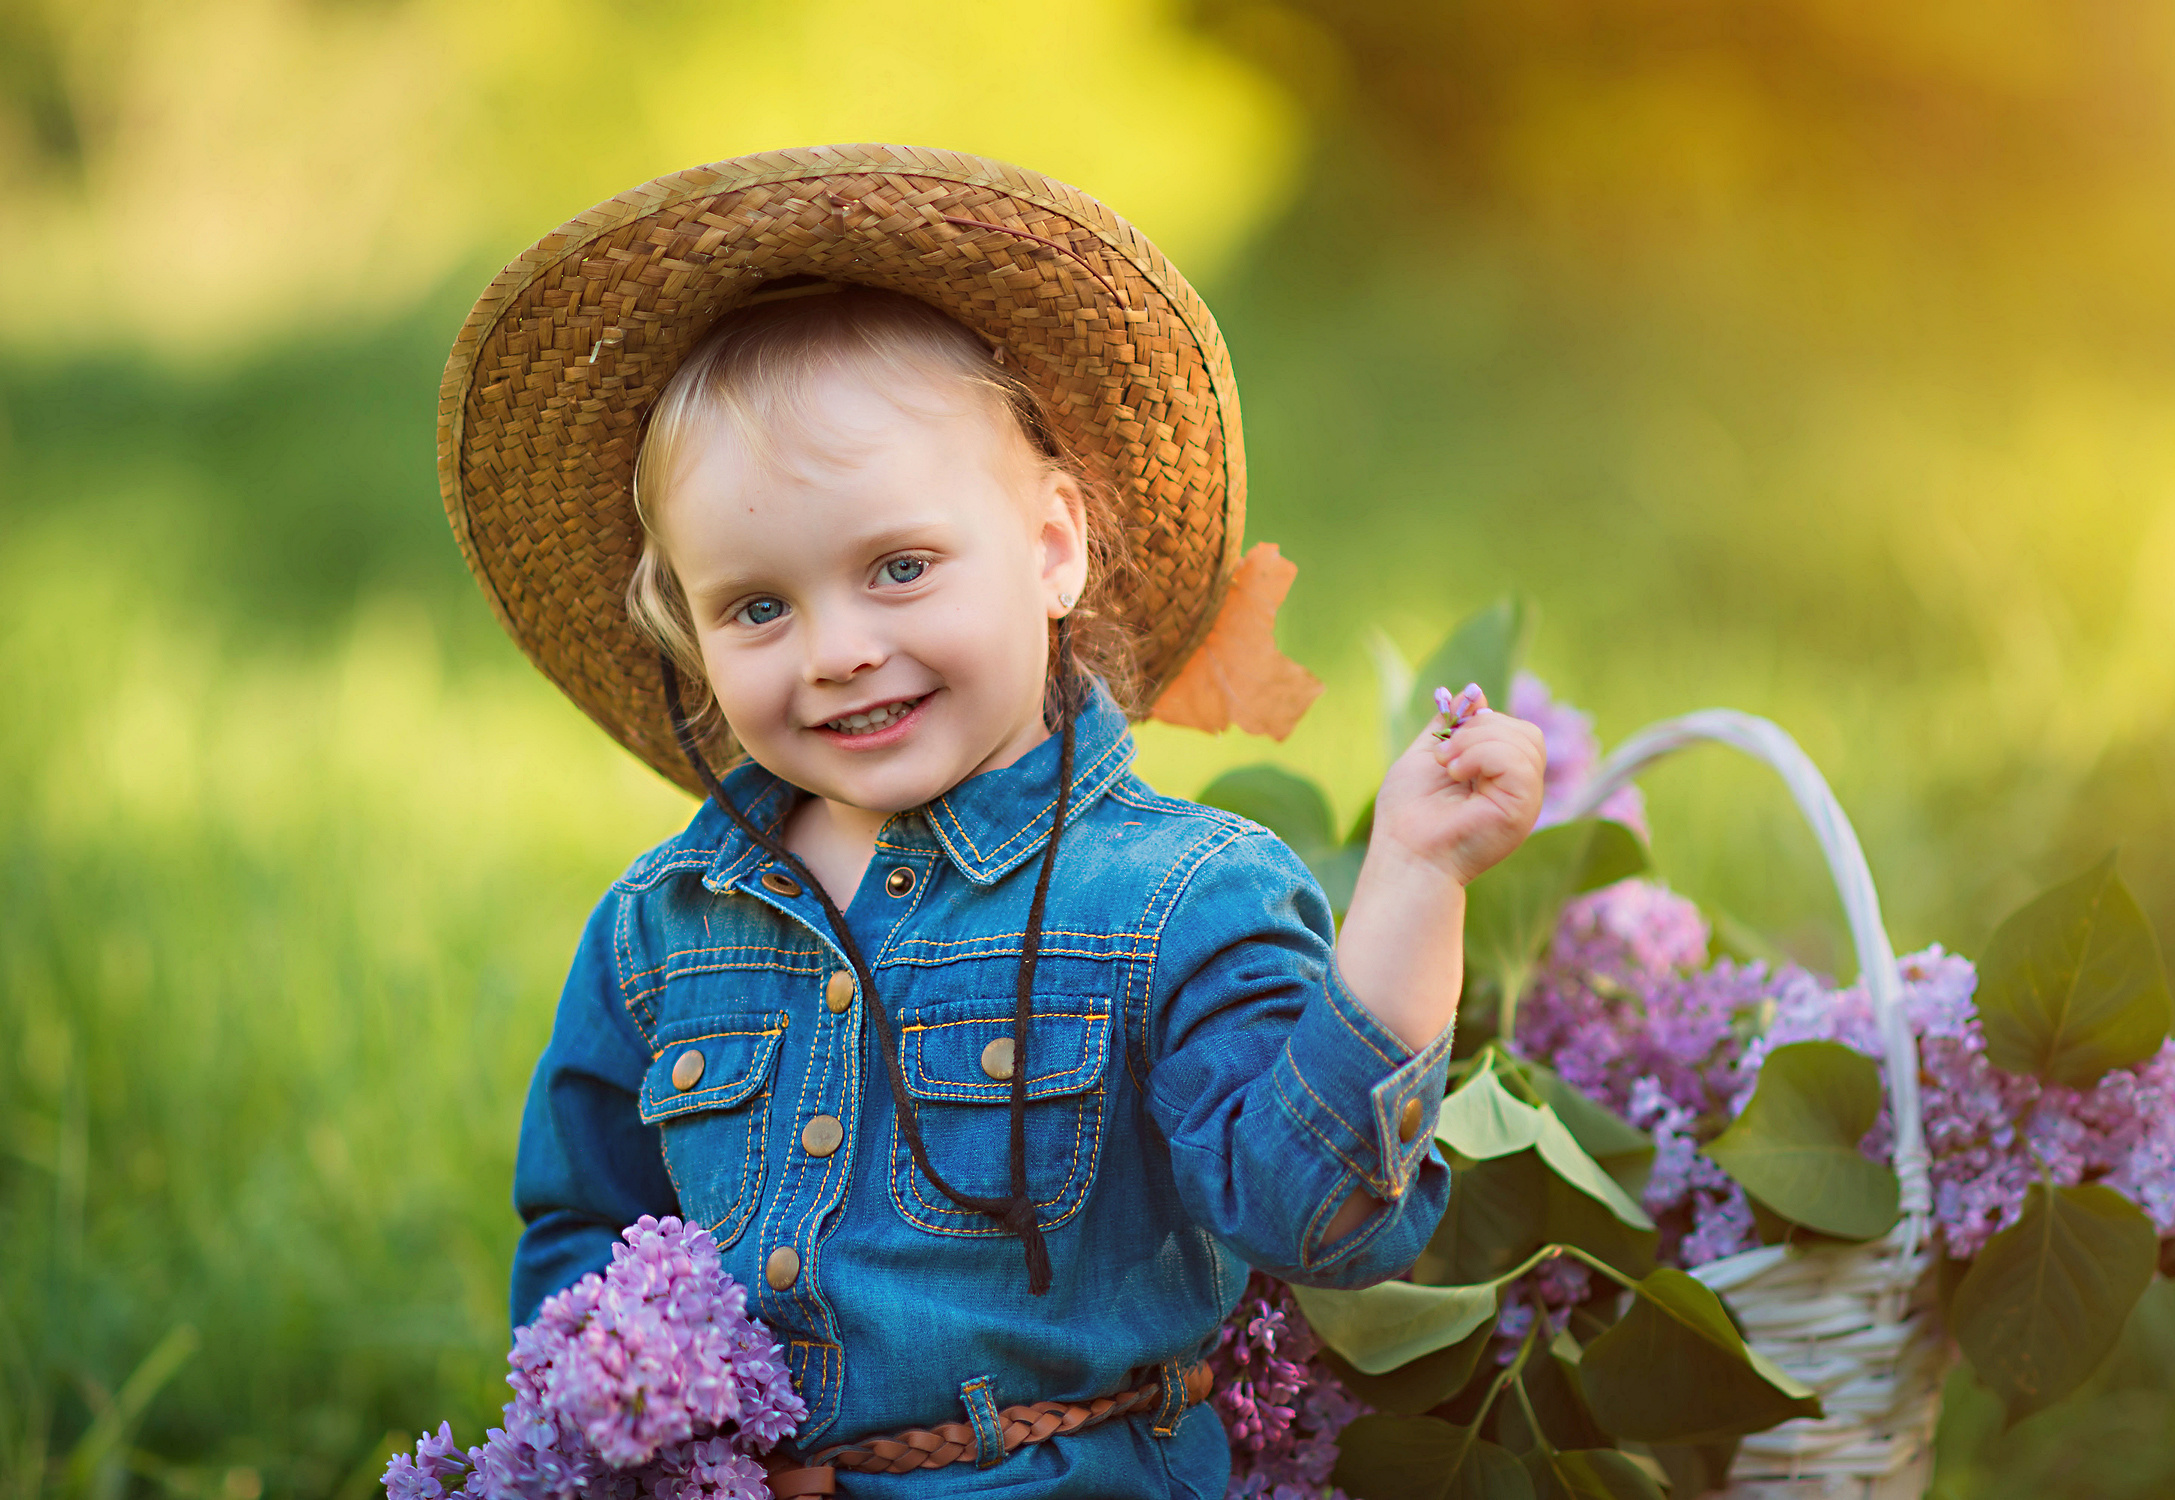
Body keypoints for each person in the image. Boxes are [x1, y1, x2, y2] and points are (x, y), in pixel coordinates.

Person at [437, 145, 1546, 1498]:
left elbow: (1317, 1215)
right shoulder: (661, 927)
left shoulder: (1178, 899)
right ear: (689, 627)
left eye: (900, 567)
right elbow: (584, 1234)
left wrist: (1418, 878)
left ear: (1052, 547)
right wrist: (628, 1421)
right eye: (757, 607)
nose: (837, 650)